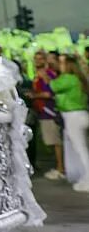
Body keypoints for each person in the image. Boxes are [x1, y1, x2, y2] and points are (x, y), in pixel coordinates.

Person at [50, 55, 89, 192]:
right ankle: (83, 176)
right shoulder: (79, 78)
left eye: (61, 63)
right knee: (80, 148)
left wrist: (47, 76)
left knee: (80, 150)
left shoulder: (68, 78)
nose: (59, 65)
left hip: (73, 116)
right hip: (80, 115)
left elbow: (53, 86)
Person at [29, 50, 65, 179]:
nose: (38, 61)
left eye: (41, 59)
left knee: (55, 141)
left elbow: (50, 93)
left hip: (49, 111)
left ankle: (60, 168)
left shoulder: (47, 74)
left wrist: (33, 95)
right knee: (50, 140)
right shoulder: (37, 74)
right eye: (36, 58)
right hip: (42, 111)